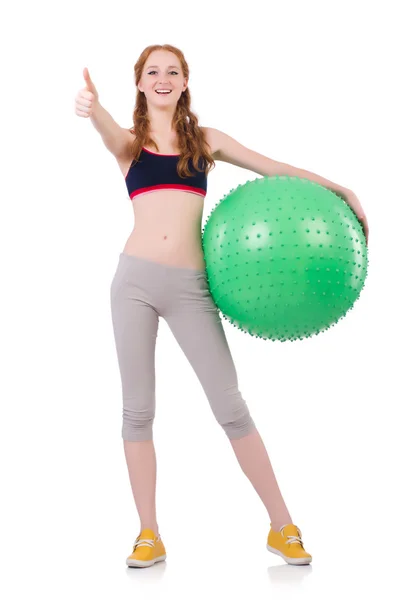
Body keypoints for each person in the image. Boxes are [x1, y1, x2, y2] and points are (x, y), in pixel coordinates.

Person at [75, 43, 367, 569]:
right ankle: (148, 533)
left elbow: (273, 168)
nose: (162, 79)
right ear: (139, 84)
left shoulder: (206, 142)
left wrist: (339, 189)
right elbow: (107, 131)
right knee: (137, 411)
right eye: (152, 72)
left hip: (191, 287)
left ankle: (284, 527)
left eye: (173, 71)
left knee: (231, 408)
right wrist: (94, 106)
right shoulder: (130, 145)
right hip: (134, 283)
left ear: (185, 81)